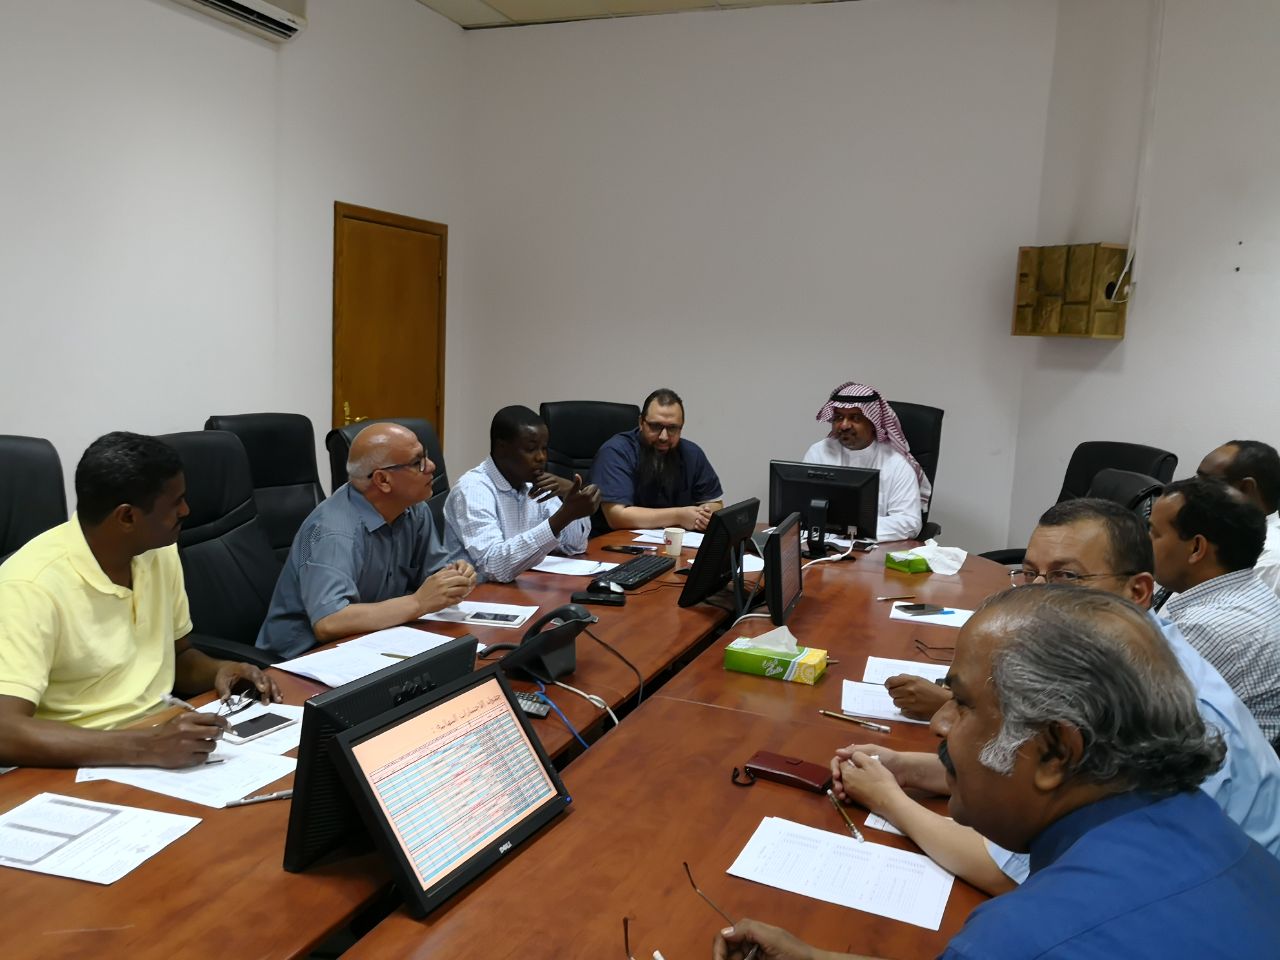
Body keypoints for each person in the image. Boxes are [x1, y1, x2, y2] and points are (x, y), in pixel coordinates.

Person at [714, 586, 1280, 960]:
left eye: (961, 705)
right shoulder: (1209, 828)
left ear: (1055, 753)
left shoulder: (1022, 937)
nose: (940, 724)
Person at [855, 498, 1280, 895]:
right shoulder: (1111, 657)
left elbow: (1010, 873)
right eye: (1030, 574)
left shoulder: (1167, 711)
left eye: (1066, 578)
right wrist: (913, 769)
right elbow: (1035, 773)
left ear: (1137, 592)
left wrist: (887, 799)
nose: (1036, 596)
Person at [0, 432, 280, 769]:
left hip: (157, 743)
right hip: (77, 763)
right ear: (127, 517)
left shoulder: (157, 551)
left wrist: (221, 670)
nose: (186, 510)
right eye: (175, 502)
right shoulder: (29, 585)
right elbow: (6, 732)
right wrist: (147, 747)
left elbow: (179, 657)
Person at [256, 422, 476, 659]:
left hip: (374, 639)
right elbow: (329, 622)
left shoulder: (414, 510)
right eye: (417, 462)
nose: (431, 466)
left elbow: (433, 574)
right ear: (383, 480)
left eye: (427, 456)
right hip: (302, 658)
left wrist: (454, 577)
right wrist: (418, 603)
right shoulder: (333, 532)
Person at [1151, 476, 1280, 744]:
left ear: (1196, 548)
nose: (1143, 542)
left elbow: (1132, 714)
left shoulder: (1207, 627)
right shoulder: (1247, 588)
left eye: (1154, 533)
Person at [445, 406, 601, 583]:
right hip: (476, 593)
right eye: (531, 449)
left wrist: (569, 494)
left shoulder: (533, 483)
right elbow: (494, 566)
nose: (541, 457)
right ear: (502, 448)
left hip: (519, 587)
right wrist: (564, 516)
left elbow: (575, 546)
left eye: (544, 448)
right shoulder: (473, 490)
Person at [802, 382, 929, 541]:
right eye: (839, 417)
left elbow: (909, 523)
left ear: (873, 423)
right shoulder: (819, 452)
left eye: (855, 418)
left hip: (874, 549)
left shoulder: (896, 464)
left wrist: (852, 529)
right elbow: (802, 508)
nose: (844, 425)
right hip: (821, 544)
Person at [591, 388, 723, 532]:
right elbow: (617, 516)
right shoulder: (616, 451)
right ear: (641, 422)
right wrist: (679, 516)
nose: (663, 437)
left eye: (672, 428)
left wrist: (703, 515)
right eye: (655, 426)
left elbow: (716, 504)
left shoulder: (692, 453)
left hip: (674, 542)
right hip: (615, 542)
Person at [1197, 440, 1280, 598]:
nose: (1192, 490)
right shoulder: (1214, 531)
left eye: (1205, 483)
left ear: (1245, 489)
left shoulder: (1270, 561)